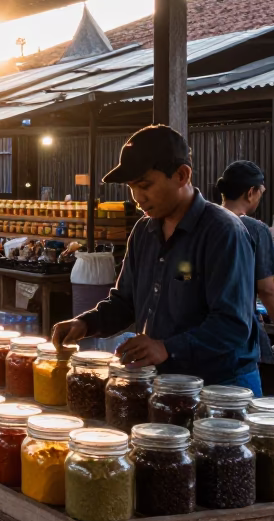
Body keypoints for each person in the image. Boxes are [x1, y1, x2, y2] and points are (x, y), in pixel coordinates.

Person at [50, 125, 261, 393]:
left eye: (145, 185)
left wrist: (165, 348)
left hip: (222, 387)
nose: (138, 198)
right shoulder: (143, 231)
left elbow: (232, 326)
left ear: (182, 175)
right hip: (165, 384)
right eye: (132, 188)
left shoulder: (223, 232)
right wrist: (85, 323)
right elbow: (125, 302)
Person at [218, 160, 274, 364]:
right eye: (261, 192)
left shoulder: (203, 221)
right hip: (238, 334)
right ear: (251, 192)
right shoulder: (254, 229)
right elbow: (267, 289)